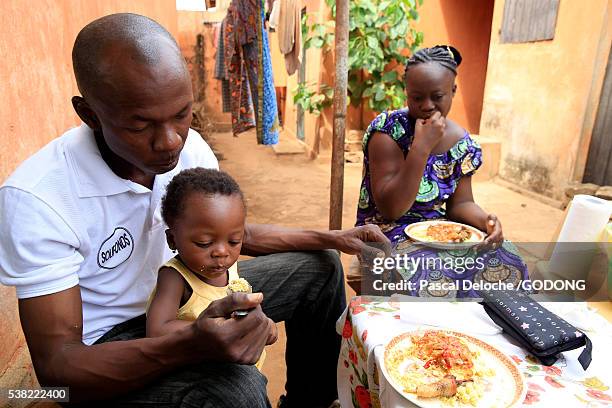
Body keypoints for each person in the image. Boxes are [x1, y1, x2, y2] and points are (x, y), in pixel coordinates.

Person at [0, 13, 388, 407]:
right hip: (109, 347)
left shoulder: (191, 150)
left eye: (181, 115)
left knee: (319, 269)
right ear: (89, 114)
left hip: (189, 293)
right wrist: (190, 343)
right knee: (238, 389)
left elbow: (229, 234)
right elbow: (57, 369)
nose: (170, 141)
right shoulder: (38, 197)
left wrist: (334, 238)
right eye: (140, 126)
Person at [353, 45, 529, 298]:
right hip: (382, 232)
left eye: (437, 96)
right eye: (416, 97)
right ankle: (423, 336)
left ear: (453, 91)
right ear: (406, 93)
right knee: (430, 272)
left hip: (436, 231)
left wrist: (486, 221)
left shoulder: (461, 143)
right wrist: (420, 148)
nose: (426, 105)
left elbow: (462, 204)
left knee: (506, 259)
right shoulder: (388, 131)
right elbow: (391, 209)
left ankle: (479, 331)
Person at [146, 167, 265, 370]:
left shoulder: (229, 267)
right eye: (204, 243)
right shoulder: (175, 277)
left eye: (234, 241)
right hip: (201, 369)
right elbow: (156, 331)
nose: (221, 252)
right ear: (172, 239)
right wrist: (215, 328)